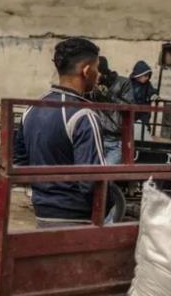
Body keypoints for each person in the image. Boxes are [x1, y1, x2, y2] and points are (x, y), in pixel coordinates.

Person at [14, 38, 106, 227]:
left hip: (42, 213)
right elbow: (93, 181)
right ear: (87, 71)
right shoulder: (84, 115)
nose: (99, 75)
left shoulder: (32, 109)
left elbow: (20, 163)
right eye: (97, 68)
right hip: (77, 218)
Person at [91, 56, 134, 164]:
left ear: (103, 72)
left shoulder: (123, 83)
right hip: (98, 136)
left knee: (105, 174)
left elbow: (129, 108)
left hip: (116, 139)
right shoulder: (93, 85)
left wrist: (110, 95)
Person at [130, 60, 159, 125]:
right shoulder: (129, 83)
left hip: (143, 114)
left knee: (144, 130)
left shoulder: (147, 84)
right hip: (132, 113)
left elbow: (151, 91)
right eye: (145, 76)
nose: (147, 78)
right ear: (139, 75)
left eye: (148, 76)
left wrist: (153, 94)